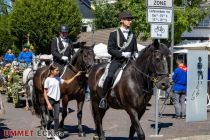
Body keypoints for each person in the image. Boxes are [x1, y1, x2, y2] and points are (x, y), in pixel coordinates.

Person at [99, 10, 138, 109]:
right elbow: (110, 49)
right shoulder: (114, 34)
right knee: (110, 75)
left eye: (130, 19)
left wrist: (136, 53)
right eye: (128, 19)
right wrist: (122, 54)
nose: (130, 21)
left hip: (129, 61)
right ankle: (103, 98)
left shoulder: (132, 35)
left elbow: (135, 49)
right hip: (117, 61)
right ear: (122, 20)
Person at [44, 64, 82, 140]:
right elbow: (45, 93)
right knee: (51, 119)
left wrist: (76, 76)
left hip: (57, 101)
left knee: (57, 118)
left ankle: (55, 134)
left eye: (58, 70)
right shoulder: (47, 80)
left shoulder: (58, 78)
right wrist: (48, 104)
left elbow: (67, 82)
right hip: (50, 100)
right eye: (56, 70)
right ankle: (48, 129)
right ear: (52, 71)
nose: (58, 72)